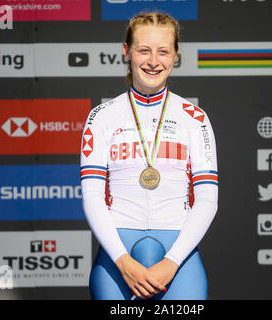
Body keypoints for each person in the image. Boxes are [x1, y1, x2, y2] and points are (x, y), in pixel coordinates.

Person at [80, 11, 218, 300]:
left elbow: (207, 198)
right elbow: (92, 195)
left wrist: (171, 262)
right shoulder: (101, 117)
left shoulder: (195, 118)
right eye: (144, 50)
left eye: (163, 51)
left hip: (178, 256)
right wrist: (123, 262)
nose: (153, 61)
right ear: (127, 51)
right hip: (118, 255)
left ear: (175, 55)